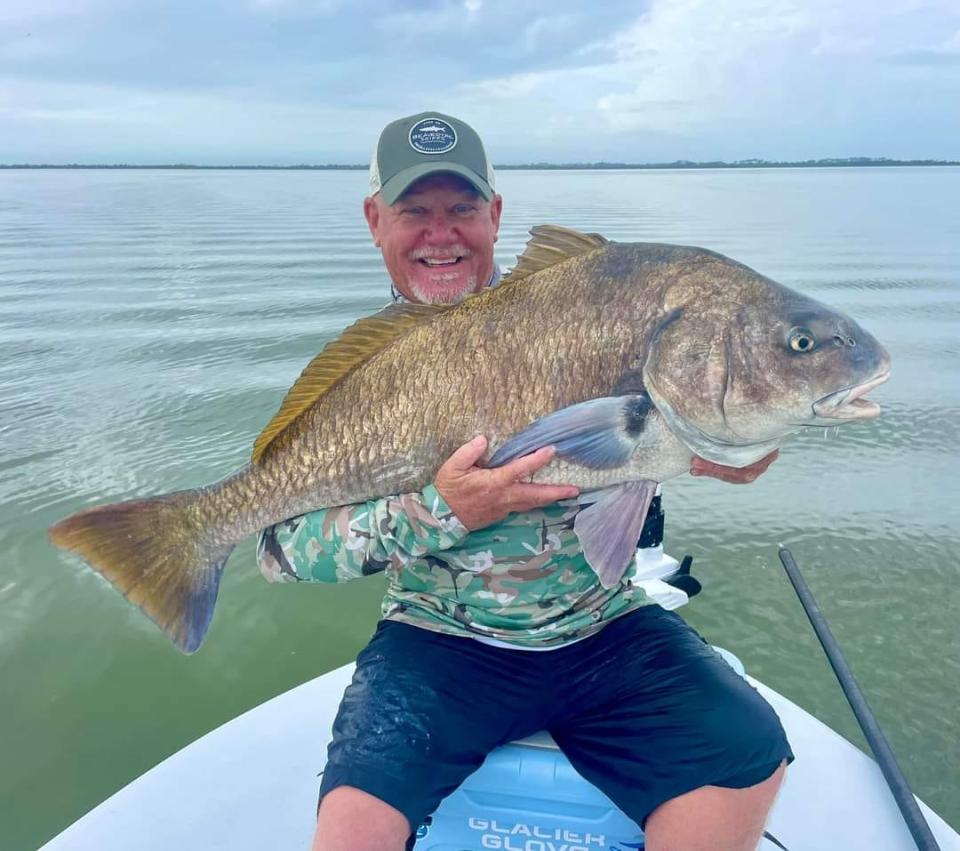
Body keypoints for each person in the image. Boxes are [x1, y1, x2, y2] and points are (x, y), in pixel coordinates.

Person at [258, 112, 791, 851]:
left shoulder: (588, 311)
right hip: (440, 641)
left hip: (602, 626)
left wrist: (722, 444)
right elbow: (284, 551)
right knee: (351, 831)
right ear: (375, 220)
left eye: (462, 210)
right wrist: (441, 509)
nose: (440, 234)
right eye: (415, 211)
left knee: (750, 751)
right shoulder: (360, 376)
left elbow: (655, 439)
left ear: (495, 215)